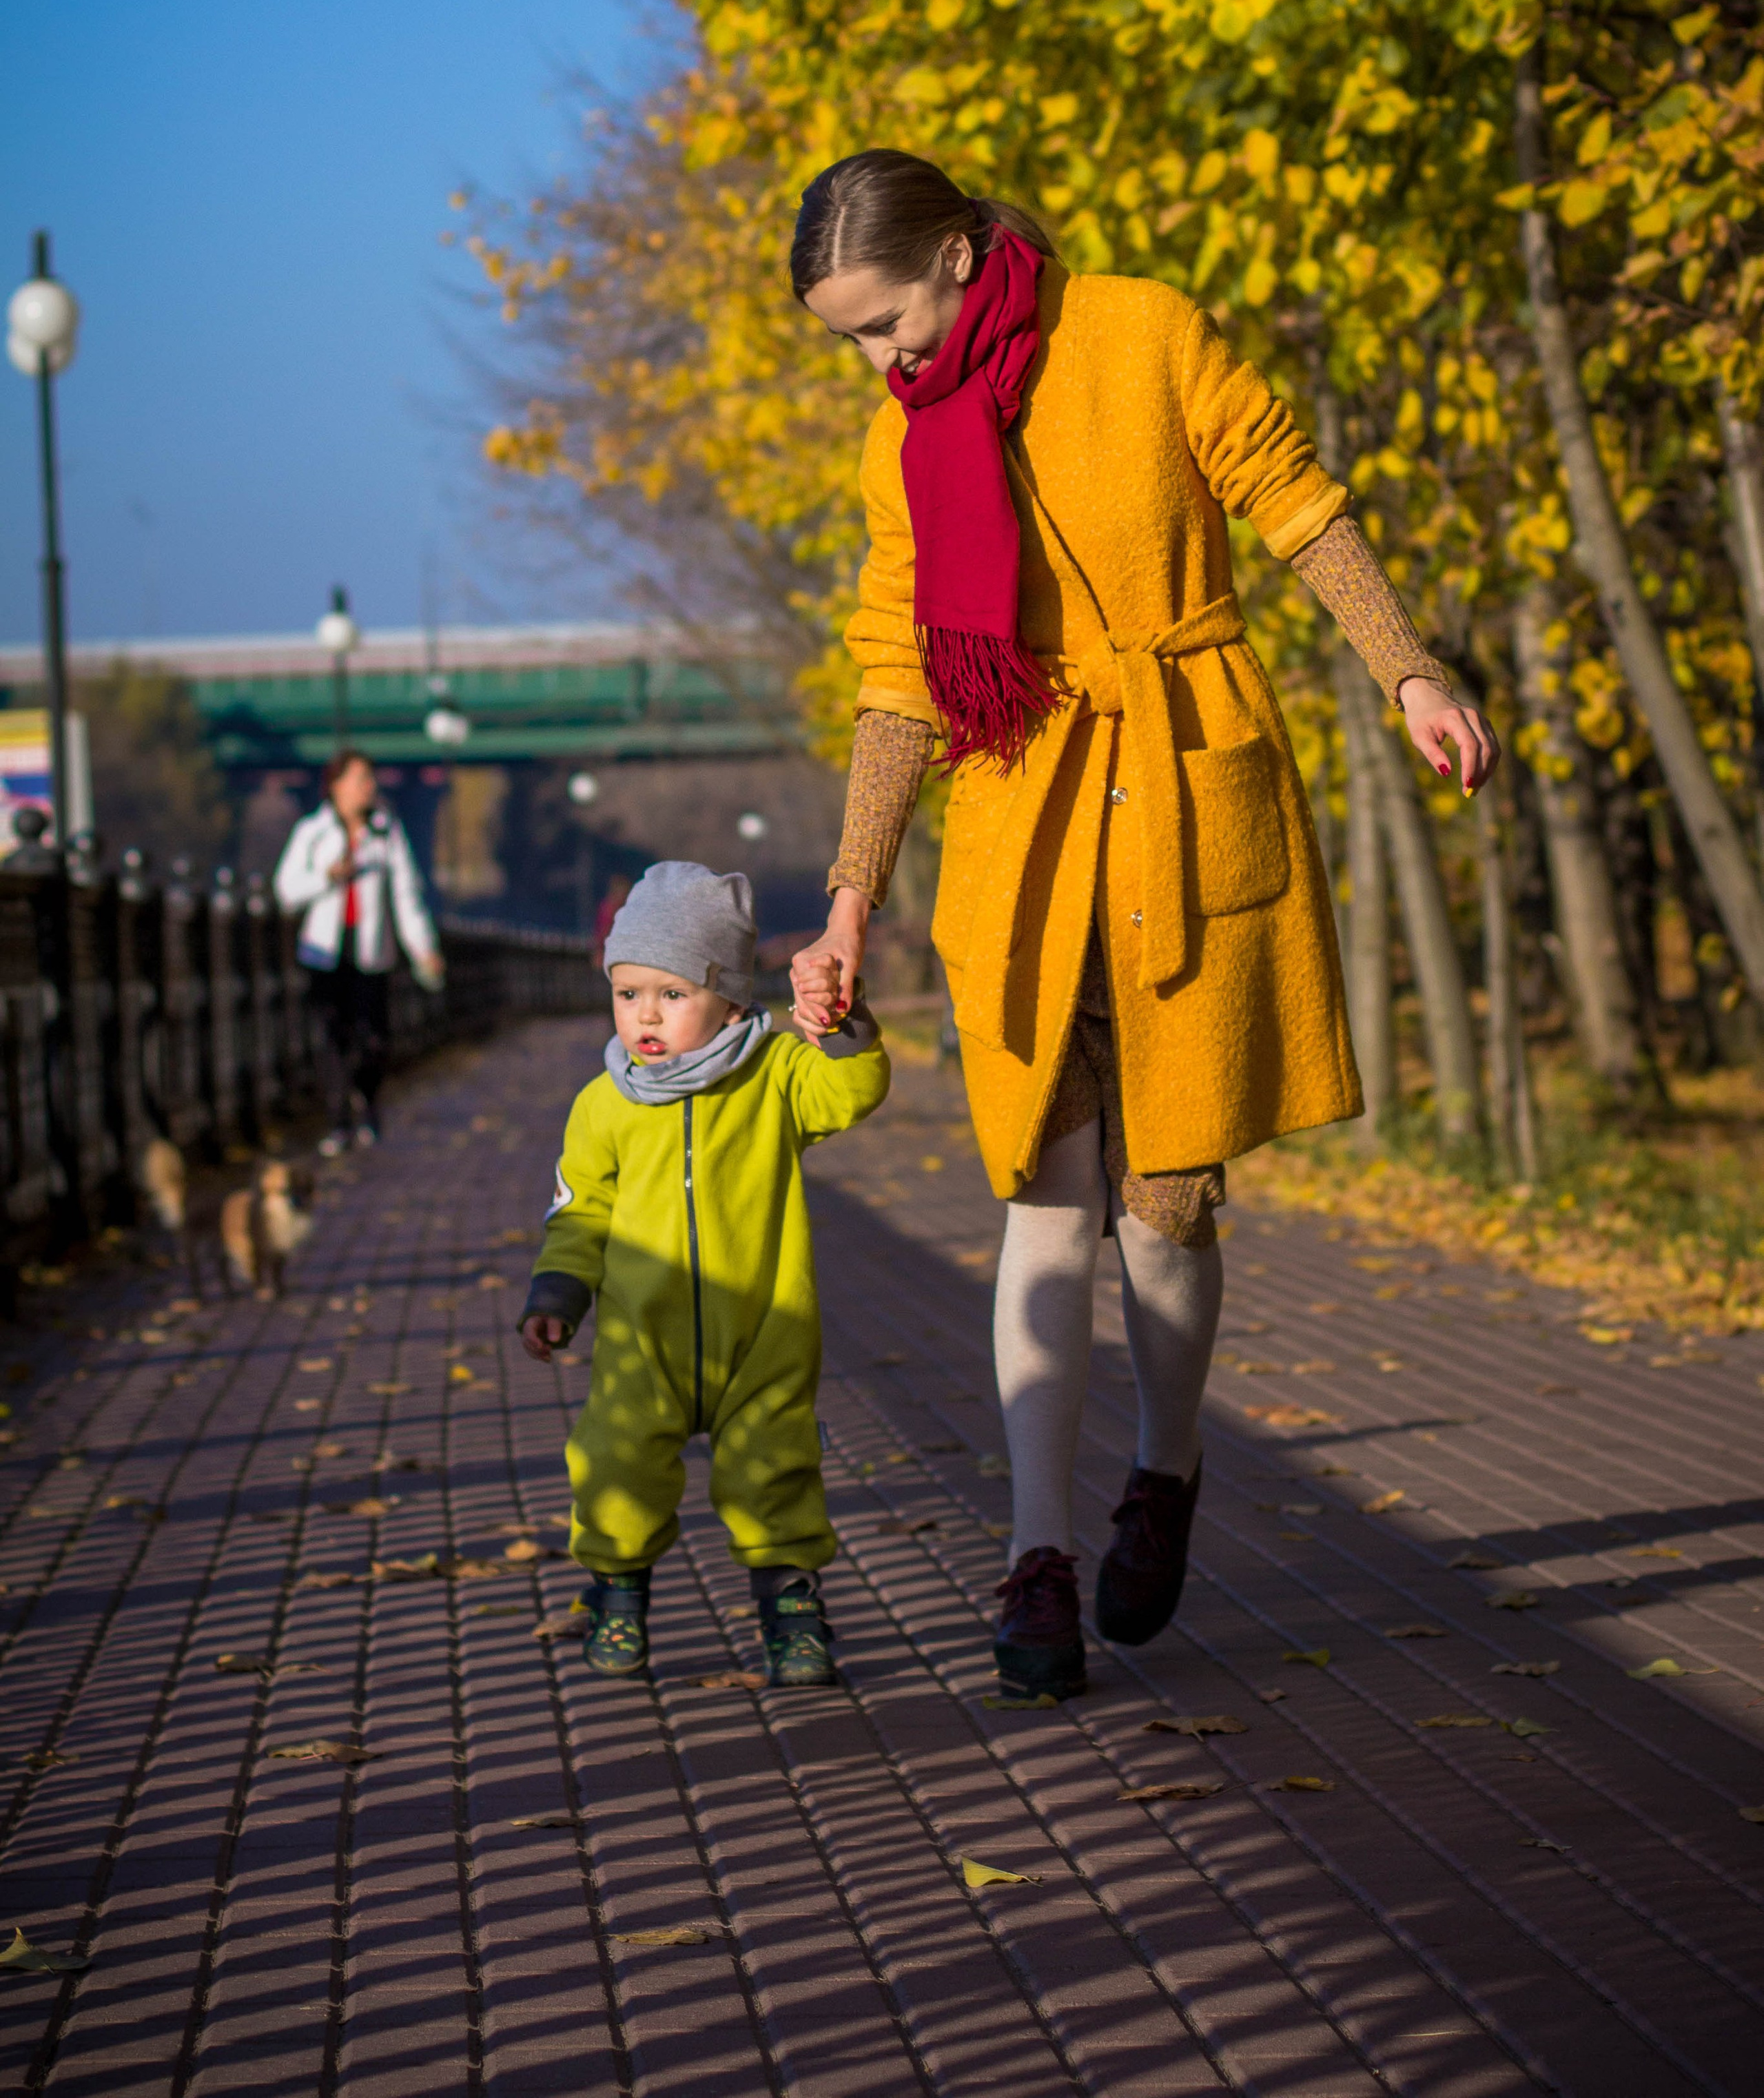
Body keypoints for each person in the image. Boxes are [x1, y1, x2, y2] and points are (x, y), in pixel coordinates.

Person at [788, 149, 1498, 1701]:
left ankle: (1163, 1469)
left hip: (1183, 795)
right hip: (1021, 831)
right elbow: (899, 678)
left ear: (965, 255)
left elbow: (1295, 503)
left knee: (1166, 1195)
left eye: (886, 321)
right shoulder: (899, 448)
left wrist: (1408, 672)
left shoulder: (1141, 331)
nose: (881, 362)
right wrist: (847, 906)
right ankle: (1035, 1554)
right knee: (1043, 1189)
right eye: (850, 339)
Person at [519, 862, 890, 1687]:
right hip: (638, 1340)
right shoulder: (602, 1104)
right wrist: (557, 1291)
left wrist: (845, 1023)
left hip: (763, 1331)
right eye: (628, 994)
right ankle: (616, 1595)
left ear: (727, 999)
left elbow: (852, 1090)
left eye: (672, 994)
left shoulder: (776, 1076)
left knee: (775, 1471)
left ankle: (790, 1608)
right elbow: (580, 1212)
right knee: (613, 1464)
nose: (645, 1015)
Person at [274, 749, 445, 1156]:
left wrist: (423, 949)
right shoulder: (312, 832)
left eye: (370, 780)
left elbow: (405, 896)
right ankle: (338, 1122)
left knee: (373, 1039)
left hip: (372, 953)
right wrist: (326, 877)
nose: (369, 788)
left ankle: (367, 1103)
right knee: (332, 1035)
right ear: (337, 786)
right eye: (361, 779)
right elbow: (285, 890)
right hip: (324, 955)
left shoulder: (386, 832)